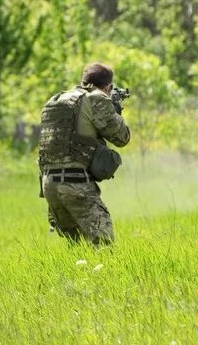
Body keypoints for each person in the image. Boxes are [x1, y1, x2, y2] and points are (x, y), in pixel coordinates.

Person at [38, 63, 130, 246]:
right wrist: (115, 111)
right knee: (104, 245)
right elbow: (122, 138)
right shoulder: (97, 98)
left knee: (77, 248)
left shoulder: (55, 100)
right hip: (76, 184)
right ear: (108, 87)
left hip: (49, 184)